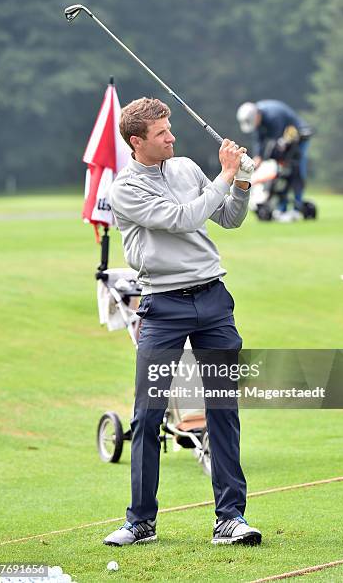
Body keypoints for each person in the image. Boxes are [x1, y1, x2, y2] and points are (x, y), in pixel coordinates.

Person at [103, 97, 266, 547]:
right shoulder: (125, 189)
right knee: (149, 412)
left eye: (170, 128)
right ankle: (141, 522)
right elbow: (182, 218)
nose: (172, 137)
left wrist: (244, 181)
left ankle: (230, 519)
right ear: (137, 142)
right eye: (161, 133)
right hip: (163, 307)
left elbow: (228, 218)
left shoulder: (187, 168)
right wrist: (226, 175)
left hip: (213, 300)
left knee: (223, 409)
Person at [236, 99, 313, 215]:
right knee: (280, 173)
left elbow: (275, 140)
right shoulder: (258, 118)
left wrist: (264, 157)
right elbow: (259, 141)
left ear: (256, 116)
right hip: (285, 141)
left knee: (296, 170)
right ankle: (282, 207)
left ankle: (298, 205)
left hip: (299, 136)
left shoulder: (273, 116)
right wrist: (258, 157)